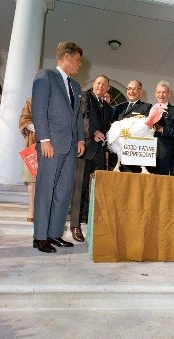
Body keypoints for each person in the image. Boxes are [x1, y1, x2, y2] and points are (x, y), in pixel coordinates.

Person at [31, 41, 85, 253]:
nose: (80, 64)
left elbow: (78, 116)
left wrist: (80, 138)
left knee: (63, 191)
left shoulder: (76, 86)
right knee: (46, 189)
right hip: (51, 144)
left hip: (70, 145)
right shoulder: (46, 76)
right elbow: (38, 109)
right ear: (67, 57)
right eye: (78, 60)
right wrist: (44, 139)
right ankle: (40, 236)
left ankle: (54, 234)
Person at [70, 75, 112, 242]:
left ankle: (95, 226)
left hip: (100, 154)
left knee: (97, 191)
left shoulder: (108, 108)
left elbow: (109, 129)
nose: (100, 86)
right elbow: (84, 118)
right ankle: (75, 225)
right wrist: (93, 133)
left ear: (108, 88)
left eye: (104, 85)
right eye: (98, 83)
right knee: (79, 189)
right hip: (85, 149)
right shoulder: (85, 97)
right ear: (93, 85)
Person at [110, 79, 152, 172]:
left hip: (133, 155)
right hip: (116, 156)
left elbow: (145, 128)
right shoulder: (119, 108)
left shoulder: (146, 107)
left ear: (140, 91)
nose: (131, 91)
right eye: (129, 88)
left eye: (135, 89)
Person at [152, 80, 174, 175]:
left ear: (169, 94)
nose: (161, 94)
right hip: (147, 152)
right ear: (155, 94)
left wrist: (162, 129)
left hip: (164, 154)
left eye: (164, 92)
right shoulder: (149, 109)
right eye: (159, 92)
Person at [19, 97, 36, 222]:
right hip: (33, 145)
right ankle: (31, 209)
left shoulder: (56, 99)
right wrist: (37, 128)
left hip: (53, 146)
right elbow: (24, 119)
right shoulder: (32, 100)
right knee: (32, 180)